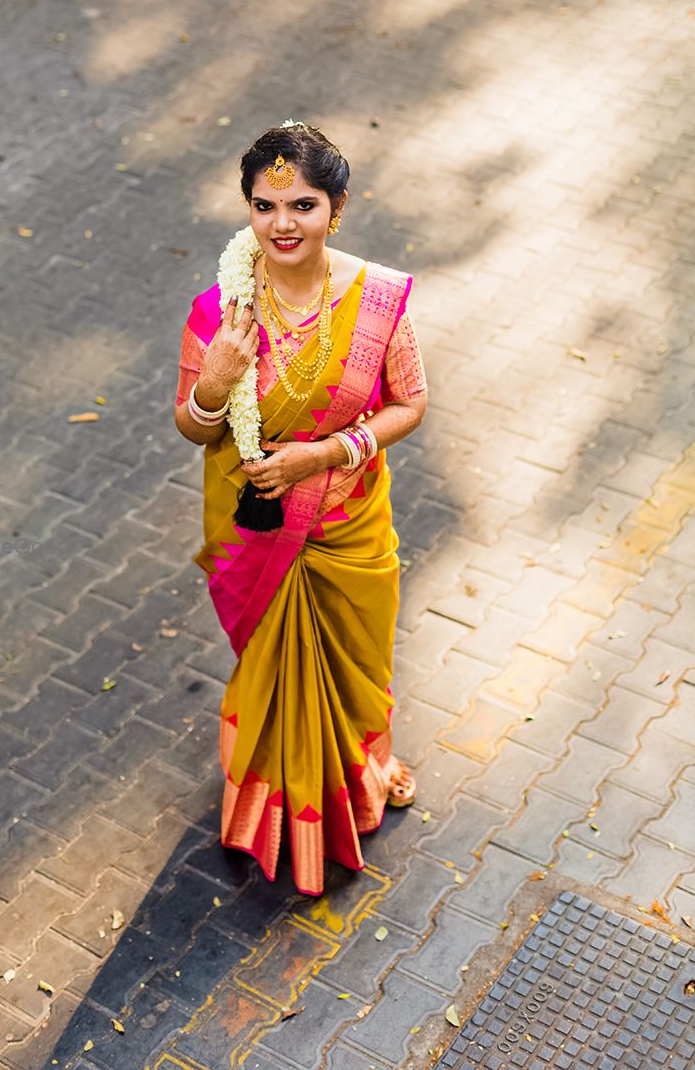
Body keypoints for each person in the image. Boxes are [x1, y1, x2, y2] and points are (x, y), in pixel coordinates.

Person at [174, 121, 429, 896]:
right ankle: (269, 801)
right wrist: (215, 384)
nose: (282, 223)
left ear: (336, 208)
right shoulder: (222, 307)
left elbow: (410, 403)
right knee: (276, 666)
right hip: (258, 528)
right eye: (264, 204)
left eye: (303, 204)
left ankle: (360, 770)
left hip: (347, 522)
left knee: (355, 659)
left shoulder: (378, 299)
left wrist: (322, 455)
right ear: (247, 209)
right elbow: (189, 425)